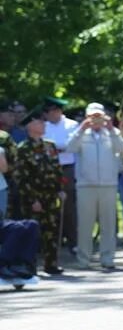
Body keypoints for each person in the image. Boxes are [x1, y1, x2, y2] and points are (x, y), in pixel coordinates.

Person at [65, 103, 123, 270]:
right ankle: (83, 259)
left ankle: (108, 258)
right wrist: (82, 129)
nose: (96, 120)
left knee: (108, 224)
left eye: (99, 116)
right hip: (86, 185)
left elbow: (122, 148)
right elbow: (70, 148)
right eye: (93, 116)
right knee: (85, 224)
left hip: (108, 184)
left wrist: (112, 129)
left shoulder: (112, 133)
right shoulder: (80, 133)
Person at [14, 108, 64, 274]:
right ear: (30, 125)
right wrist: (32, 199)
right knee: (33, 232)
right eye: (40, 122)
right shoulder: (23, 148)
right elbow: (21, 177)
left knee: (52, 229)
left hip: (50, 195)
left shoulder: (50, 146)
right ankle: (30, 266)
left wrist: (60, 189)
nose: (43, 124)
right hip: (34, 196)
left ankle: (51, 263)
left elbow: (57, 170)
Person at [42, 96, 78, 251]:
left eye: (50, 111)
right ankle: (54, 241)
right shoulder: (44, 126)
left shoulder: (71, 125)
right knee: (50, 203)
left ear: (57, 111)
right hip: (49, 168)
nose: (48, 115)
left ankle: (73, 241)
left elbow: (70, 146)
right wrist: (56, 148)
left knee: (68, 205)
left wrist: (54, 148)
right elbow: (42, 146)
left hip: (66, 168)